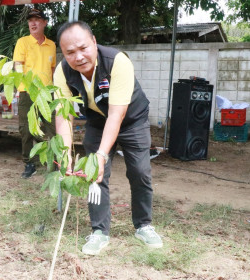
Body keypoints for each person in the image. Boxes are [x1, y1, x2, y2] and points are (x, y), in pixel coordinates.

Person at [54, 21, 163, 255]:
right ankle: (99, 231)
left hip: (131, 119)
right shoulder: (62, 71)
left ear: (94, 42)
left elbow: (117, 113)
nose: (78, 57)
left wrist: (102, 155)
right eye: (70, 52)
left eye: (83, 48)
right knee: (94, 174)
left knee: (140, 171)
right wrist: (64, 154)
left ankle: (144, 225)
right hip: (97, 120)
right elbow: (63, 115)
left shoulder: (117, 62)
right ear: (63, 53)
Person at [13, 8, 56, 179]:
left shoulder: (51, 44)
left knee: (52, 127)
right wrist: (19, 88)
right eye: (30, 20)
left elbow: (51, 70)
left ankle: (54, 162)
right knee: (26, 129)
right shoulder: (23, 42)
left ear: (45, 23)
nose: (33, 23)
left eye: (37, 19)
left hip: (46, 93)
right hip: (27, 92)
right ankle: (29, 162)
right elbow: (17, 66)